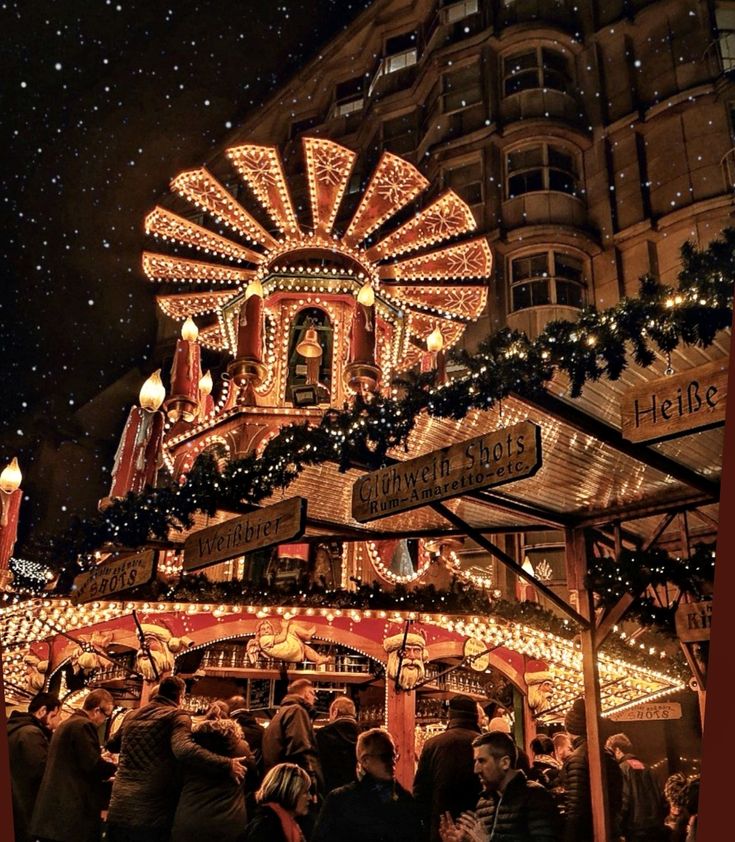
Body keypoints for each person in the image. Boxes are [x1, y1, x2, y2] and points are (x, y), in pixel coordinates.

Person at [105, 675, 247, 842]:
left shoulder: (131, 715)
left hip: (120, 805)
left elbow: (112, 745)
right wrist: (226, 763)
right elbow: (183, 750)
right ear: (180, 696)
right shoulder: (177, 716)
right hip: (152, 810)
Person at [439, 731, 561, 842]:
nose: (476, 769)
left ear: (505, 762)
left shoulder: (536, 798)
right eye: (475, 761)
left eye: (482, 761)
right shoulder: (484, 802)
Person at [30, 689, 117, 842]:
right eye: (107, 715)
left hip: (52, 811)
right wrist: (115, 767)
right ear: (97, 710)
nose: (105, 720)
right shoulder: (84, 725)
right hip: (69, 814)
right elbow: (93, 765)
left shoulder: (67, 724)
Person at [312, 728, 422, 842]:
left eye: (394, 756)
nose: (392, 762)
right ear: (365, 761)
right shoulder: (340, 800)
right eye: (385, 756)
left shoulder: (404, 799)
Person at [171, 713, 252, 842]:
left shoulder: (191, 752)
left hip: (191, 818)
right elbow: (253, 780)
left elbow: (176, 780)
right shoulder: (241, 749)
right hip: (231, 822)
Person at [413, 694, 482, 842]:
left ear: (450, 715)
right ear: (476, 717)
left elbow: (421, 793)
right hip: (476, 826)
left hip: (441, 827)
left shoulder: (433, 744)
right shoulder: (484, 745)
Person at [558, 698, 622, 842]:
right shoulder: (606, 753)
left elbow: (576, 807)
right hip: (610, 829)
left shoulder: (578, 758)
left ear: (571, 730)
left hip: (588, 833)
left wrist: (568, 837)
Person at [7, 691, 61, 842]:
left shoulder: (13, 728)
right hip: (23, 805)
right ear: (43, 711)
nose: (58, 720)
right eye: (56, 715)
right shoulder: (31, 734)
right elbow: (43, 772)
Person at [262, 678, 323, 795]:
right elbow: (300, 749)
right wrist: (310, 784)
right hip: (294, 787)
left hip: (280, 784)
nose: (314, 699)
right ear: (306, 694)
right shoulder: (297, 711)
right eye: (313, 694)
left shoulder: (280, 714)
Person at [606, 732, 666, 841]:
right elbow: (661, 796)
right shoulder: (648, 768)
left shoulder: (621, 769)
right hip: (655, 827)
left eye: (611, 752)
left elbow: (624, 799)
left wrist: (618, 827)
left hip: (634, 829)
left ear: (618, 750)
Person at [245, 762, 311, 842]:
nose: (310, 797)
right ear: (289, 791)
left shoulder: (287, 825)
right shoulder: (266, 827)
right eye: (305, 792)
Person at [315, 696, 359, 794]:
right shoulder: (363, 735)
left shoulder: (323, 734)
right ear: (354, 714)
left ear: (335, 712)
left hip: (329, 792)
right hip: (356, 793)